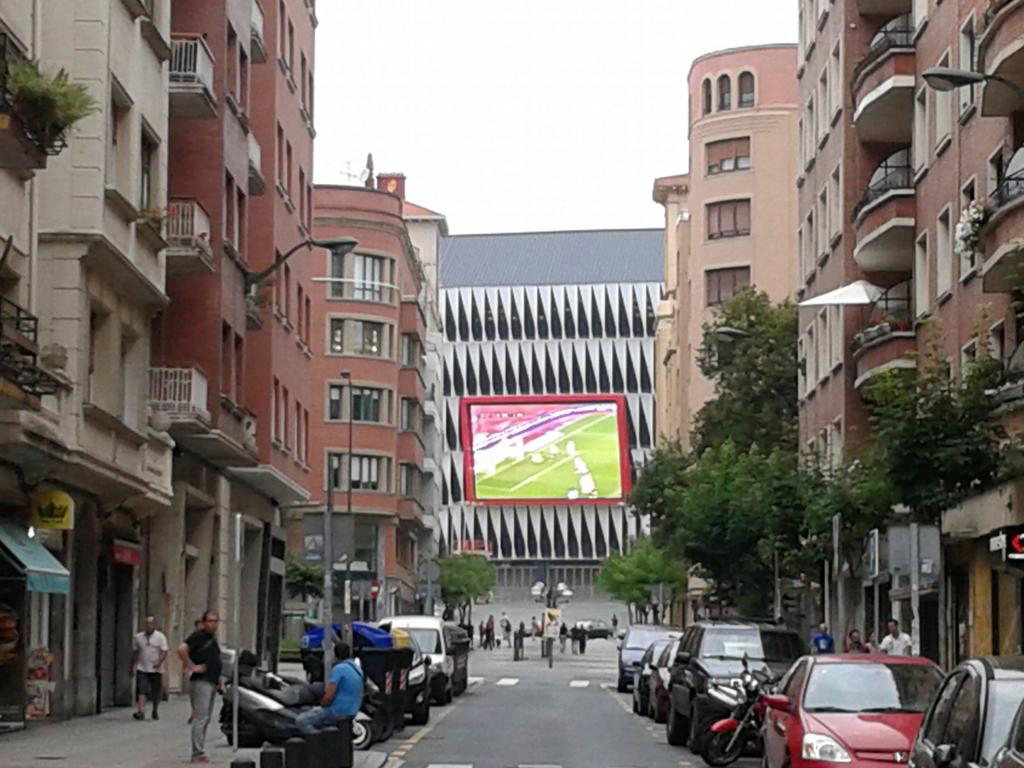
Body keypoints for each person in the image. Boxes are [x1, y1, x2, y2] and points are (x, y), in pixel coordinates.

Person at [178, 610, 222, 764]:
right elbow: (181, 649)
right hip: (201, 681)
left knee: (206, 717)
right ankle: (197, 753)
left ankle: (200, 750)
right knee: (201, 717)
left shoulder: (212, 639)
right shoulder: (199, 636)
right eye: (210, 621)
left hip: (211, 681)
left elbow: (214, 659)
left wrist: (219, 679)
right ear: (204, 623)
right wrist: (192, 666)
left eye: (215, 621)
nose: (213, 624)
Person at [296, 642, 364, 734]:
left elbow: (329, 696)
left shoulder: (339, 669)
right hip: (352, 711)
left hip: (337, 711)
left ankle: (317, 739)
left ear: (335, 656)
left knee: (302, 720)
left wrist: (321, 705)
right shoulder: (357, 669)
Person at [132, 615, 168, 721]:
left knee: (155, 691)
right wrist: (132, 665)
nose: (148, 625)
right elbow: (135, 652)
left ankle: (155, 709)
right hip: (142, 667)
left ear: (154, 624)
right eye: (147, 623)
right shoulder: (138, 637)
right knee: (141, 689)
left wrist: (159, 662)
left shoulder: (160, 637)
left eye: (151, 623)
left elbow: (164, 651)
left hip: (156, 669)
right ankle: (141, 711)